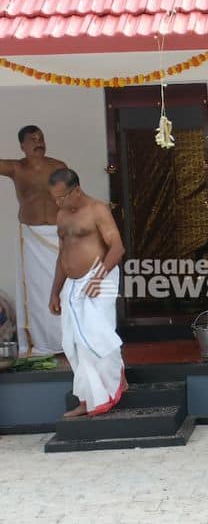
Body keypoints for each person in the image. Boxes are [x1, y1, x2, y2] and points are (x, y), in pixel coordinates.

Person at [48, 168, 127, 418]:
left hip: (99, 279)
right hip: (72, 287)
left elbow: (117, 247)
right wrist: (55, 291)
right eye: (55, 199)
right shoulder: (61, 215)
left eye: (62, 197)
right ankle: (87, 399)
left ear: (77, 190)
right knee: (73, 344)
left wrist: (98, 276)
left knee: (94, 338)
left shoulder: (97, 209)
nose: (58, 203)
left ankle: (112, 385)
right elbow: (62, 255)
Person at [0, 125, 67, 357]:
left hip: (58, 234)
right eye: (33, 139)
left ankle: (65, 339)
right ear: (22, 146)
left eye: (41, 138)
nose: (39, 142)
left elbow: (72, 197)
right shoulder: (16, 168)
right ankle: (39, 343)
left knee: (64, 289)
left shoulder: (58, 166)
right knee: (36, 290)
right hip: (32, 237)